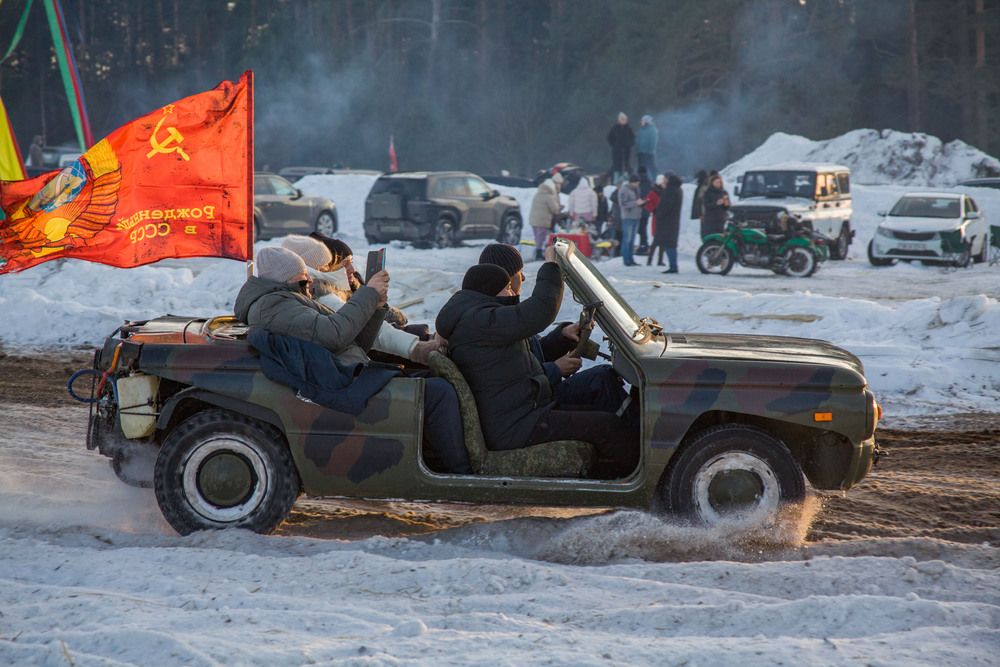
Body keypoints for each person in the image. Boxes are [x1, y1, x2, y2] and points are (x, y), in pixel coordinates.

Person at [236, 246, 470, 474]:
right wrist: (368, 293)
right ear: (282, 282)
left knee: (433, 380)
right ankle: (462, 473)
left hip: (346, 372)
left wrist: (376, 308)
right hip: (341, 383)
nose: (309, 288)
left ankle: (444, 464)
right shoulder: (275, 305)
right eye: (303, 283)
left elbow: (354, 343)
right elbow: (334, 335)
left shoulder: (284, 300)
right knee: (440, 392)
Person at [435, 247, 636, 477]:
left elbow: (527, 353)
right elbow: (540, 310)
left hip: (526, 409)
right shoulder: (480, 320)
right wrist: (552, 267)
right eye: (508, 288)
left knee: (602, 397)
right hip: (517, 424)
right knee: (607, 427)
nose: (513, 293)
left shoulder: (479, 316)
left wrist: (561, 338)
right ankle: (627, 488)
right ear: (490, 292)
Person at [478, 243, 627, 415]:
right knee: (600, 382)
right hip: (533, 405)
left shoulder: (502, 313)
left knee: (604, 377)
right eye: (520, 272)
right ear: (508, 277)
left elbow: (532, 355)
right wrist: (555, 369)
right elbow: (512, 380)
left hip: (539, 395)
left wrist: (562, 336)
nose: (524, 278)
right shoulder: (496, 318)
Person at [281, 235, 444, 364]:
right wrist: (416, 348)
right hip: (347, 365)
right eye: (327, 266)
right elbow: (372, 331)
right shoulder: (322, 294)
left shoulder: (324, 289)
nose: (351, 269)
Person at [528, 171, 563, 260]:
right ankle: (539, 254)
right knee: (541, 238)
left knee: (537, 237)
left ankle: (537, 252)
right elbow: (555, 209)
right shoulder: (549, 196)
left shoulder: (538, 193)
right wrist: (560, 208)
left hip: (533, 219)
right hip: (542, 220)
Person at [655, 173, 684, 273]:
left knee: (668, 244)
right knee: (671, 243)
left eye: (664, 179)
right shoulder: (678, 189)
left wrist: (658, 212)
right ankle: (673, 265)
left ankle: (673, 266)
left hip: (667, 221)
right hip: (674, 220)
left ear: (668, 179)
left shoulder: (670, 190)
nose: (663, 181)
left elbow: (666, 205)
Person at [617, 173, 643, 266]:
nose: (637, 185)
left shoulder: (637, 189)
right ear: (632, 182)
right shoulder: (624, 190)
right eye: (636, 183)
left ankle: (631, 259)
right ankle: (626, 260)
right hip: (628, 217)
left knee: (632, 240)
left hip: (636, 216)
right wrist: (635, 203)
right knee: (627, 239)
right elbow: (623, 204)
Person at [606, 112, 634, 183]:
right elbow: (609, 138)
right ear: (618, 120)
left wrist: (629, 144)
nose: (623, 120)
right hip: (617, 152)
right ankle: (616, 183)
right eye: (622, 119)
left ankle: (626, 182)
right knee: (617, 169)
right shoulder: (614, 128)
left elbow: (632, 138)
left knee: (626, 168)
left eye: (625, 119)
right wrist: (614, 145)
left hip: (626, 152)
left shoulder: (629, 128)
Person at [701, 172, 730, 239]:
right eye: (716, 182)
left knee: (720, 238)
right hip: (711, 220)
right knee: (711, 238)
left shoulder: (724, 192)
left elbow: (727, 207)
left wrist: (726, 204)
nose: (718, 184)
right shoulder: (708, 192)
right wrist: (716, 203)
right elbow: (707, 205)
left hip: (721, 220)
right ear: (712, 183)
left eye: (719, 182)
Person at [644, 175, 664, 266]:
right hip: (656, 218)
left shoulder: (665, 192)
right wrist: (654, 210)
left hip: (663, 218)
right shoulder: (653, 193)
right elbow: (647, 204)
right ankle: (650, 259)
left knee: (662, 241)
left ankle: (660, 260)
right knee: (656, 240)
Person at [637, 166, 653, 255]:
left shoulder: (637, 181)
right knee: (643, 228)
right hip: (646, 209)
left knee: (640, 229)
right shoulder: (649, 182)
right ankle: (644, 244)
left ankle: (643, 245)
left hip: (638, 208)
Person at [636, 115, 658, 179]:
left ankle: (654, 179)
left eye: (642, 120)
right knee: (641, 167)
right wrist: (637, 149)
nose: (641, 122)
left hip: (648, 153)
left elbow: (653, 142)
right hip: (641, 152)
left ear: (646, 121)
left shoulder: (652, 129)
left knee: (651, 167)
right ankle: (641, 179)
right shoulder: (641, 130)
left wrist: (650, 151)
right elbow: (638, 140)